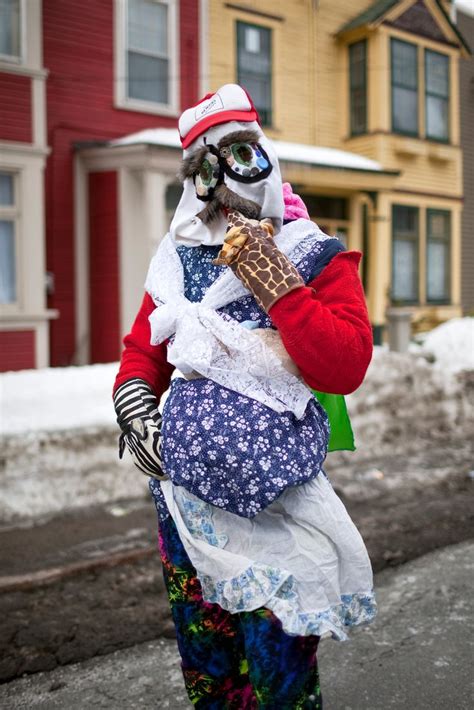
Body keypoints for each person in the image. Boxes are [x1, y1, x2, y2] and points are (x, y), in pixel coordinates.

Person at [113, 84, 376, 709]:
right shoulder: (175, 259)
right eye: (203, 170)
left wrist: (279, 285)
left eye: (239, 157)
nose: (222, 183)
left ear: (265, 158)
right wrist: (134, 406)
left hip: (278, 512)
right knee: (210, 671)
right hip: (186, 507)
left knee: (279, 671)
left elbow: (344, 364)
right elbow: (143, 350)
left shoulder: (313, 255)